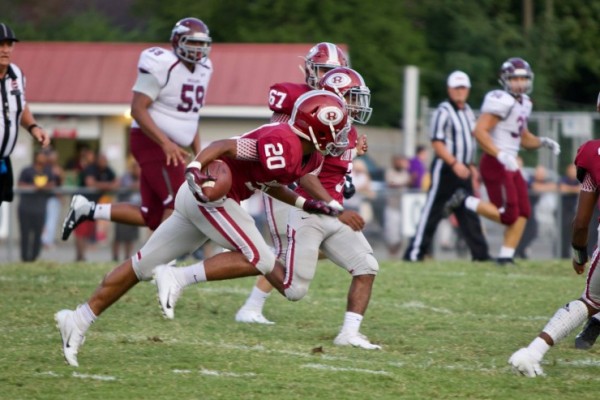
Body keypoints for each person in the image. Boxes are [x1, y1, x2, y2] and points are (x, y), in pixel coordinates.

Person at [54, 90, 348, 367]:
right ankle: (177, 276)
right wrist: (195, 167)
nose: (342, 135)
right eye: (339, 128)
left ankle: (78, 319)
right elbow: (224, 147)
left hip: (204, 200)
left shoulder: (309, 153)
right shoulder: (282, 140)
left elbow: (268, 183)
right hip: (211, 193)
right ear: (317, 127)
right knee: (259, 257)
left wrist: (304, 204)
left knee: (140, 266)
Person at [234, 68, 380, 349]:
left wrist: (354, 154)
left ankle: (348, 333)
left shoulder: (346, 129)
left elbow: (336, 166)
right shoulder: (316, 127)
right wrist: (336, 208)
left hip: (332, 212)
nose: (357, 103)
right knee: (294, 289)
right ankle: (252, 265)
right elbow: (307, 175)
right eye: (351, 96)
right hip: (310, 212)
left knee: (367, 266)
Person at [61, 17, 213, 240]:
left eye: (202, 44)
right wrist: (165, 143)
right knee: (179, 205)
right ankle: (160, 265)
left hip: (172, 145)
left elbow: (191, 116)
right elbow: (138, 109)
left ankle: (88, 209)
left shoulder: (205, 69)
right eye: (193, 42)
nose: (198, 49)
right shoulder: (162, 63)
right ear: (177, 41)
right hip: (152, 141)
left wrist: (199, 156)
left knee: (150, 215)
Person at [235, 43, 352, 325]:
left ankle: (247, 305)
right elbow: (286, 141)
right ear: (310, 69)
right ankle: (245, 305)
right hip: (282, 178)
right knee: (285, 253)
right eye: (324, 70)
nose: (328, 77)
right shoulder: (292, 95)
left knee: (308, 250)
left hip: (304, 179)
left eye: (334, 72)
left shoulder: (337, 105)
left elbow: (331, 145)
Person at [442, 59, 560, 265]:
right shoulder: (501, 100)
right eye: (515, 78)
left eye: (523, 78)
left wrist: (542, 142)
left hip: (510, 161)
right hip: (496, 161)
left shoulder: (525, 102)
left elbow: (522, 137)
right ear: (505, 80)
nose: (519, 82)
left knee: (524, 211)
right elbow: (479, 130)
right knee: (509, 215)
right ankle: (464, 200)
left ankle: (506, 255)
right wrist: (500, 154)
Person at [508, 139, 600, 377]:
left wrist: (579, 254)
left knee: (590, 301)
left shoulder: (592, 152)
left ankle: (532, 353)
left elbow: (581, 224)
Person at [403, 71, 490, 262]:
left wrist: (471, 165)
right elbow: (437, 142)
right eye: (456, 88)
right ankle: (415, 253)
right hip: (446, 168)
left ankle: (481, 255)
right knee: (432, 210)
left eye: (463, 88)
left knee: (468, 211)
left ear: (467, 90)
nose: (460, 92)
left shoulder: (468, 111)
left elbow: (469, 141)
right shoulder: (443, 111)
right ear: (449, 89)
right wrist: (454, 163)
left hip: (464, 169)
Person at [0, 23, 51, 207]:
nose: (5, 50)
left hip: (3, 161)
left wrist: (33, 127)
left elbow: (19, 105)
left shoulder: (17, 75)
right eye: (1, 45)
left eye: (9, 45)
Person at [73, 153, 119, 261]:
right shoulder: (91, 169)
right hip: (82, 203)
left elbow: (117, 182)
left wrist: (102, 186)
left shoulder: (108, 170)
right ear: (97, 161)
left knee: (88, 232)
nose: (104, 163)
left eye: (105, 161)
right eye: (102, 161)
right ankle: (79, 256)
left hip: (94, 206)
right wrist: (108, 186)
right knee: (80, 231)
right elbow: (90, 183)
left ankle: (82, 256)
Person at [17, 149, 56, 261]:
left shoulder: (48, 171)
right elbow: (20, 184)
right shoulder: (27, 170)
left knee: (38, 233)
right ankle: (25, 258)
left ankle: (34, 257)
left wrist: (42, 187)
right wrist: (34, 187)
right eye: (41, 155)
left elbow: (53, 184)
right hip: (25, 207)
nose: (43, 158)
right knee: (25, 233)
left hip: (40, 208)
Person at [112, 157, 141, 261]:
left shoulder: (143, 178)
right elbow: (116, 186)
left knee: (130, 237)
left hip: (136, 211)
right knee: (119, 236)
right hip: (123, 209)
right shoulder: (125, 177)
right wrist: (132, 186)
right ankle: (115, 257)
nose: (138, 170)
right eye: (136, 167)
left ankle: (127, 257)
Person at [383, 154, 411, 257]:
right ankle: (391, 253)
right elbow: (392, 184)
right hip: (392, 207)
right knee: (392, 233)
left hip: (403, 208)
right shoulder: (390, 172)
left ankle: (398, 254)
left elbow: (411, 183)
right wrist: (405, 182)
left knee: (401, 233)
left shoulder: (405, 173)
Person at [41, 148, 64, 248]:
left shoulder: (56, 168)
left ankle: (46, 240)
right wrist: (59, 196)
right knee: (49, 220)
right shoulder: (45, 168)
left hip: (53, 198)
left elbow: (60, 182)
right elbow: (51, 184)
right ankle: (46, 241)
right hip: (49, 198)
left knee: (51, 220)